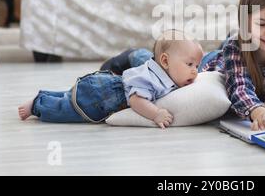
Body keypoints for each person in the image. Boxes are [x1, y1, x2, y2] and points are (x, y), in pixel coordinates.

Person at [102, 0, 265, 131]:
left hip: (222, 57)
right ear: (245, 19)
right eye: (261, 24)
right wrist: (257, 110)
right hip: (208, 65)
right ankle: (135, 54)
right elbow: (239, 87)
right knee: (163, 68)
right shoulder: (236, 47)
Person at [18, 30, 203, 128]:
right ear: (165, 60)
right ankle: (37, 105)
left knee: (71, 98)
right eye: (189, 65)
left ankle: (42, 95)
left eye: (196, 66)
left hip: (103, 86)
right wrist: (156, 114)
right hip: (101, 98)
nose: (195, 72)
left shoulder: (162, 73)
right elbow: (136, 100)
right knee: (65, 110)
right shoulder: (153, 78)